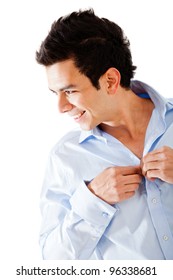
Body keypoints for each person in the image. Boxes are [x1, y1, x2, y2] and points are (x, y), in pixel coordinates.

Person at [36, 9, 173, 260]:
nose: (61, 107)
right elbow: (53, 260)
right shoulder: (65, 158)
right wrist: (92, 200)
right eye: (55, 93)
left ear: (110, 80)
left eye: (69, 91)